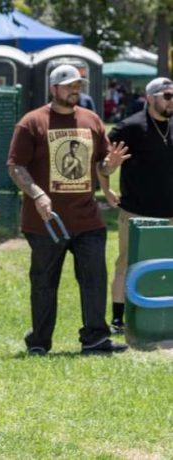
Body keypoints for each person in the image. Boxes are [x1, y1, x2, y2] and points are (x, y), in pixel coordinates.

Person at [7, 64, 130, 355]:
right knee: (44, 283)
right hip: (46, 221)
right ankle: (39, 342)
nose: (75, 90)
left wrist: (109, 167)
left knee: (94, 280)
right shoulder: (32, 122)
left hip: (87, 218)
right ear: (54, 88)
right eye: (68, 85)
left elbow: (100, 164)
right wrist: (37, 194)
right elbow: (15, 166)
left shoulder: (91, 120)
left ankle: (95, 339)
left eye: (78, 85)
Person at [99, 77, 173, 333]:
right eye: (167, 96)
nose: (171, 100)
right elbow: (103, 162)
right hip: (136, 211)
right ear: (150, 98)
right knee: (127, 263)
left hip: (170, 212)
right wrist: (107, 187)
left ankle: (164, 313)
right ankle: (118, 319)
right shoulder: (130, 127)